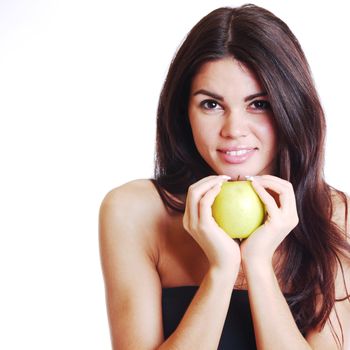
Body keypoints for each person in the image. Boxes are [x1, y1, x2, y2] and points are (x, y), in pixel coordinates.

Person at [99, 4, 350, 349]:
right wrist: (221, 271)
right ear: (183, 111)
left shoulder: (335, 214)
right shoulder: (135, 212)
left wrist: (257, 265)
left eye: (258, 104)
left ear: (291, 107)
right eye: (211, 104)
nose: (233, 130)